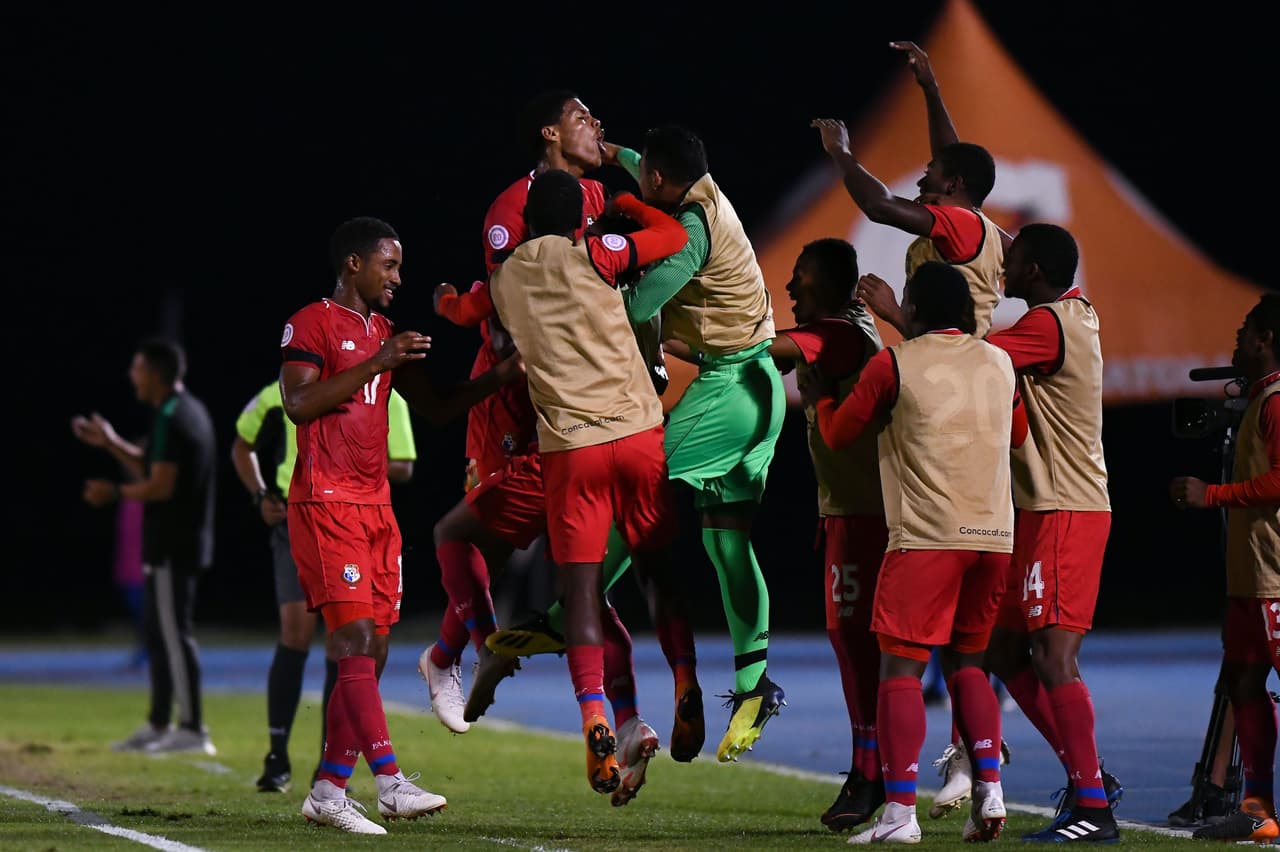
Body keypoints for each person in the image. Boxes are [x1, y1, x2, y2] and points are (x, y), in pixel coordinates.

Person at [489, 124, 787, 766]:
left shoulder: (691, 234)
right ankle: (752, 684)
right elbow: (640, 169)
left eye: (638, 173)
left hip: (725, 388)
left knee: (633, 505)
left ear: (655, 180)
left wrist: (582, 275)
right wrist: (615, 152)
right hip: (751, 381)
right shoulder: (697, 191)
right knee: (726, 538)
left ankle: (564, 615)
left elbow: (625, 306)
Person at [418, 90, 649, 758]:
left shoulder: (600, 198)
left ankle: (625, 723)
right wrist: (460, 311)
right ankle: (460, 652)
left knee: (579, 578)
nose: (598, 126)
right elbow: (500, 308)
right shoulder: (510, 210)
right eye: (584, 118)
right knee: (488, 549)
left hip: (577, 409)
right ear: (551, 132)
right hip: (517, 404)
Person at [282, 216, 521, 835]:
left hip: (375, 507)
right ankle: (389, 782)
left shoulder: (387, 331)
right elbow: (299, 403)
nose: (398, 276)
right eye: (389, 265)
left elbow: (438, 408)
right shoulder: (311, 322)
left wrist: (498, 378)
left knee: (376, 648)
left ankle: (329, 791)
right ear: (354, 265)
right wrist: (377, 362)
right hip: (325, 502)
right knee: (355, 640)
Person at [800, 261, 1026, 844]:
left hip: (927, 538)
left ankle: (900, 813)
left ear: (914, 311)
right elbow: (1019, 434)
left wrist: (821, 398)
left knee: (900, 670)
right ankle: (990, 791)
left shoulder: (893, 362)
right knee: (969, 664)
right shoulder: (1000, 362)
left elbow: (839, 435)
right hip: (994, 539)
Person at [488, 168, 688, 801]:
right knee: (657, 570)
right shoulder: (600, 252)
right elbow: (673, 238)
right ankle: (684, 684)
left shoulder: (504, 276)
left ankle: (595, 715)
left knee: (577, 587)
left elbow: (464, 309)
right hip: (634, 434)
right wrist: (626, 202)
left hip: (571, 448)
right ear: (580, 218)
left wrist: (443, 303)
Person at [973, 223, 1122, 843]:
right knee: (1004, 652)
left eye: (1012, 260)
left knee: (1056, 657)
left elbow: (967, 356)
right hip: (1042, 510)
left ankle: (1093, 804)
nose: (1003, 265)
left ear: (1033, 271)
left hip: (1066, 509)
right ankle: (1090, 779)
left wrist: (901, 311)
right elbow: (1014, 239)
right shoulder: (1071, 309)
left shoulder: (1047, 324)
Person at [231, 379, 418, 793]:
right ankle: (278, 756)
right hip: (298, 520)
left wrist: (348, 467)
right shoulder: (281, 394)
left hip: (356, 520)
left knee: (348, 642)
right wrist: (260, 493)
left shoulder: (385, 392)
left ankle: (330, 769)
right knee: (296, 635)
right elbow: (241, 444)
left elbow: (403, 463)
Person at [765, 237, 888, 831]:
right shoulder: (844, 332)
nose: (791, 287)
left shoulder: (841, 334)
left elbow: (759, 349)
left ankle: (872, 772)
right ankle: (895, 768)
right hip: (859, 511)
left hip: (867, 516)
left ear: (834, 285)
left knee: (857, 644)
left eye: (802, 277)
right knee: (873, 646)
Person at [72, 337, 218, 756]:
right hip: (169, 544)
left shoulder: (175, 416)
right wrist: (111, 442)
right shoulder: (172, 412)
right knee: (158, 635)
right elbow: (153, 467)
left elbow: (160, 484)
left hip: (176, 544)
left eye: (136, 369)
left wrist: (114, 492)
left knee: (175, 636)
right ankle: (159, 724)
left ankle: (192, 729)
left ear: (155, 373)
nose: (131, 376)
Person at [1170, 293, 1280, 843]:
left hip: (1275, 578)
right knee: (1243, 682)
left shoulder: (1279, 401)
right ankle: (1258, 809)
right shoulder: (1261, 399)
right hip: (1251, 577)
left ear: (1265, 341)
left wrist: (1212, 494)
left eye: (1245, 330)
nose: (1236, 339)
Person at [812, 40, 1009, 340]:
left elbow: (879, 205)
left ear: (953, 185)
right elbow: (952, 158)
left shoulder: (963, 223)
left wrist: (840, 152)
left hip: (952, 368)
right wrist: (930, 89)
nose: (920, 182)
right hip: (958, 358)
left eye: (928, 174)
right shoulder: (980, 227)